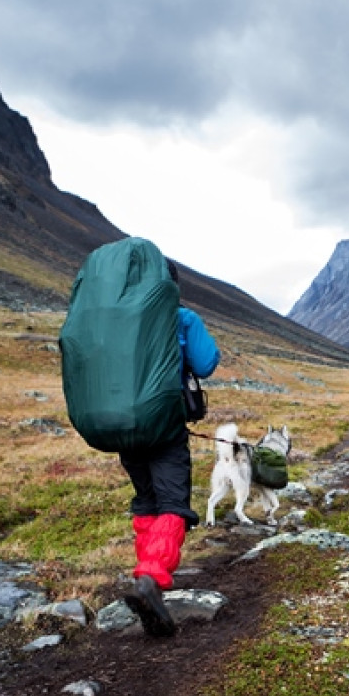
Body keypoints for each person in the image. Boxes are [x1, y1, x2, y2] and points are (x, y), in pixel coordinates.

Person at [121, 259, 220, 637]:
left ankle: (150, 587)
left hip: (122, 427)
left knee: (147, 500)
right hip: (163, 424)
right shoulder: (181, 317)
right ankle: (151, 578)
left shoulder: (118, 319)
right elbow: (206, 363)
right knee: (174, 503)